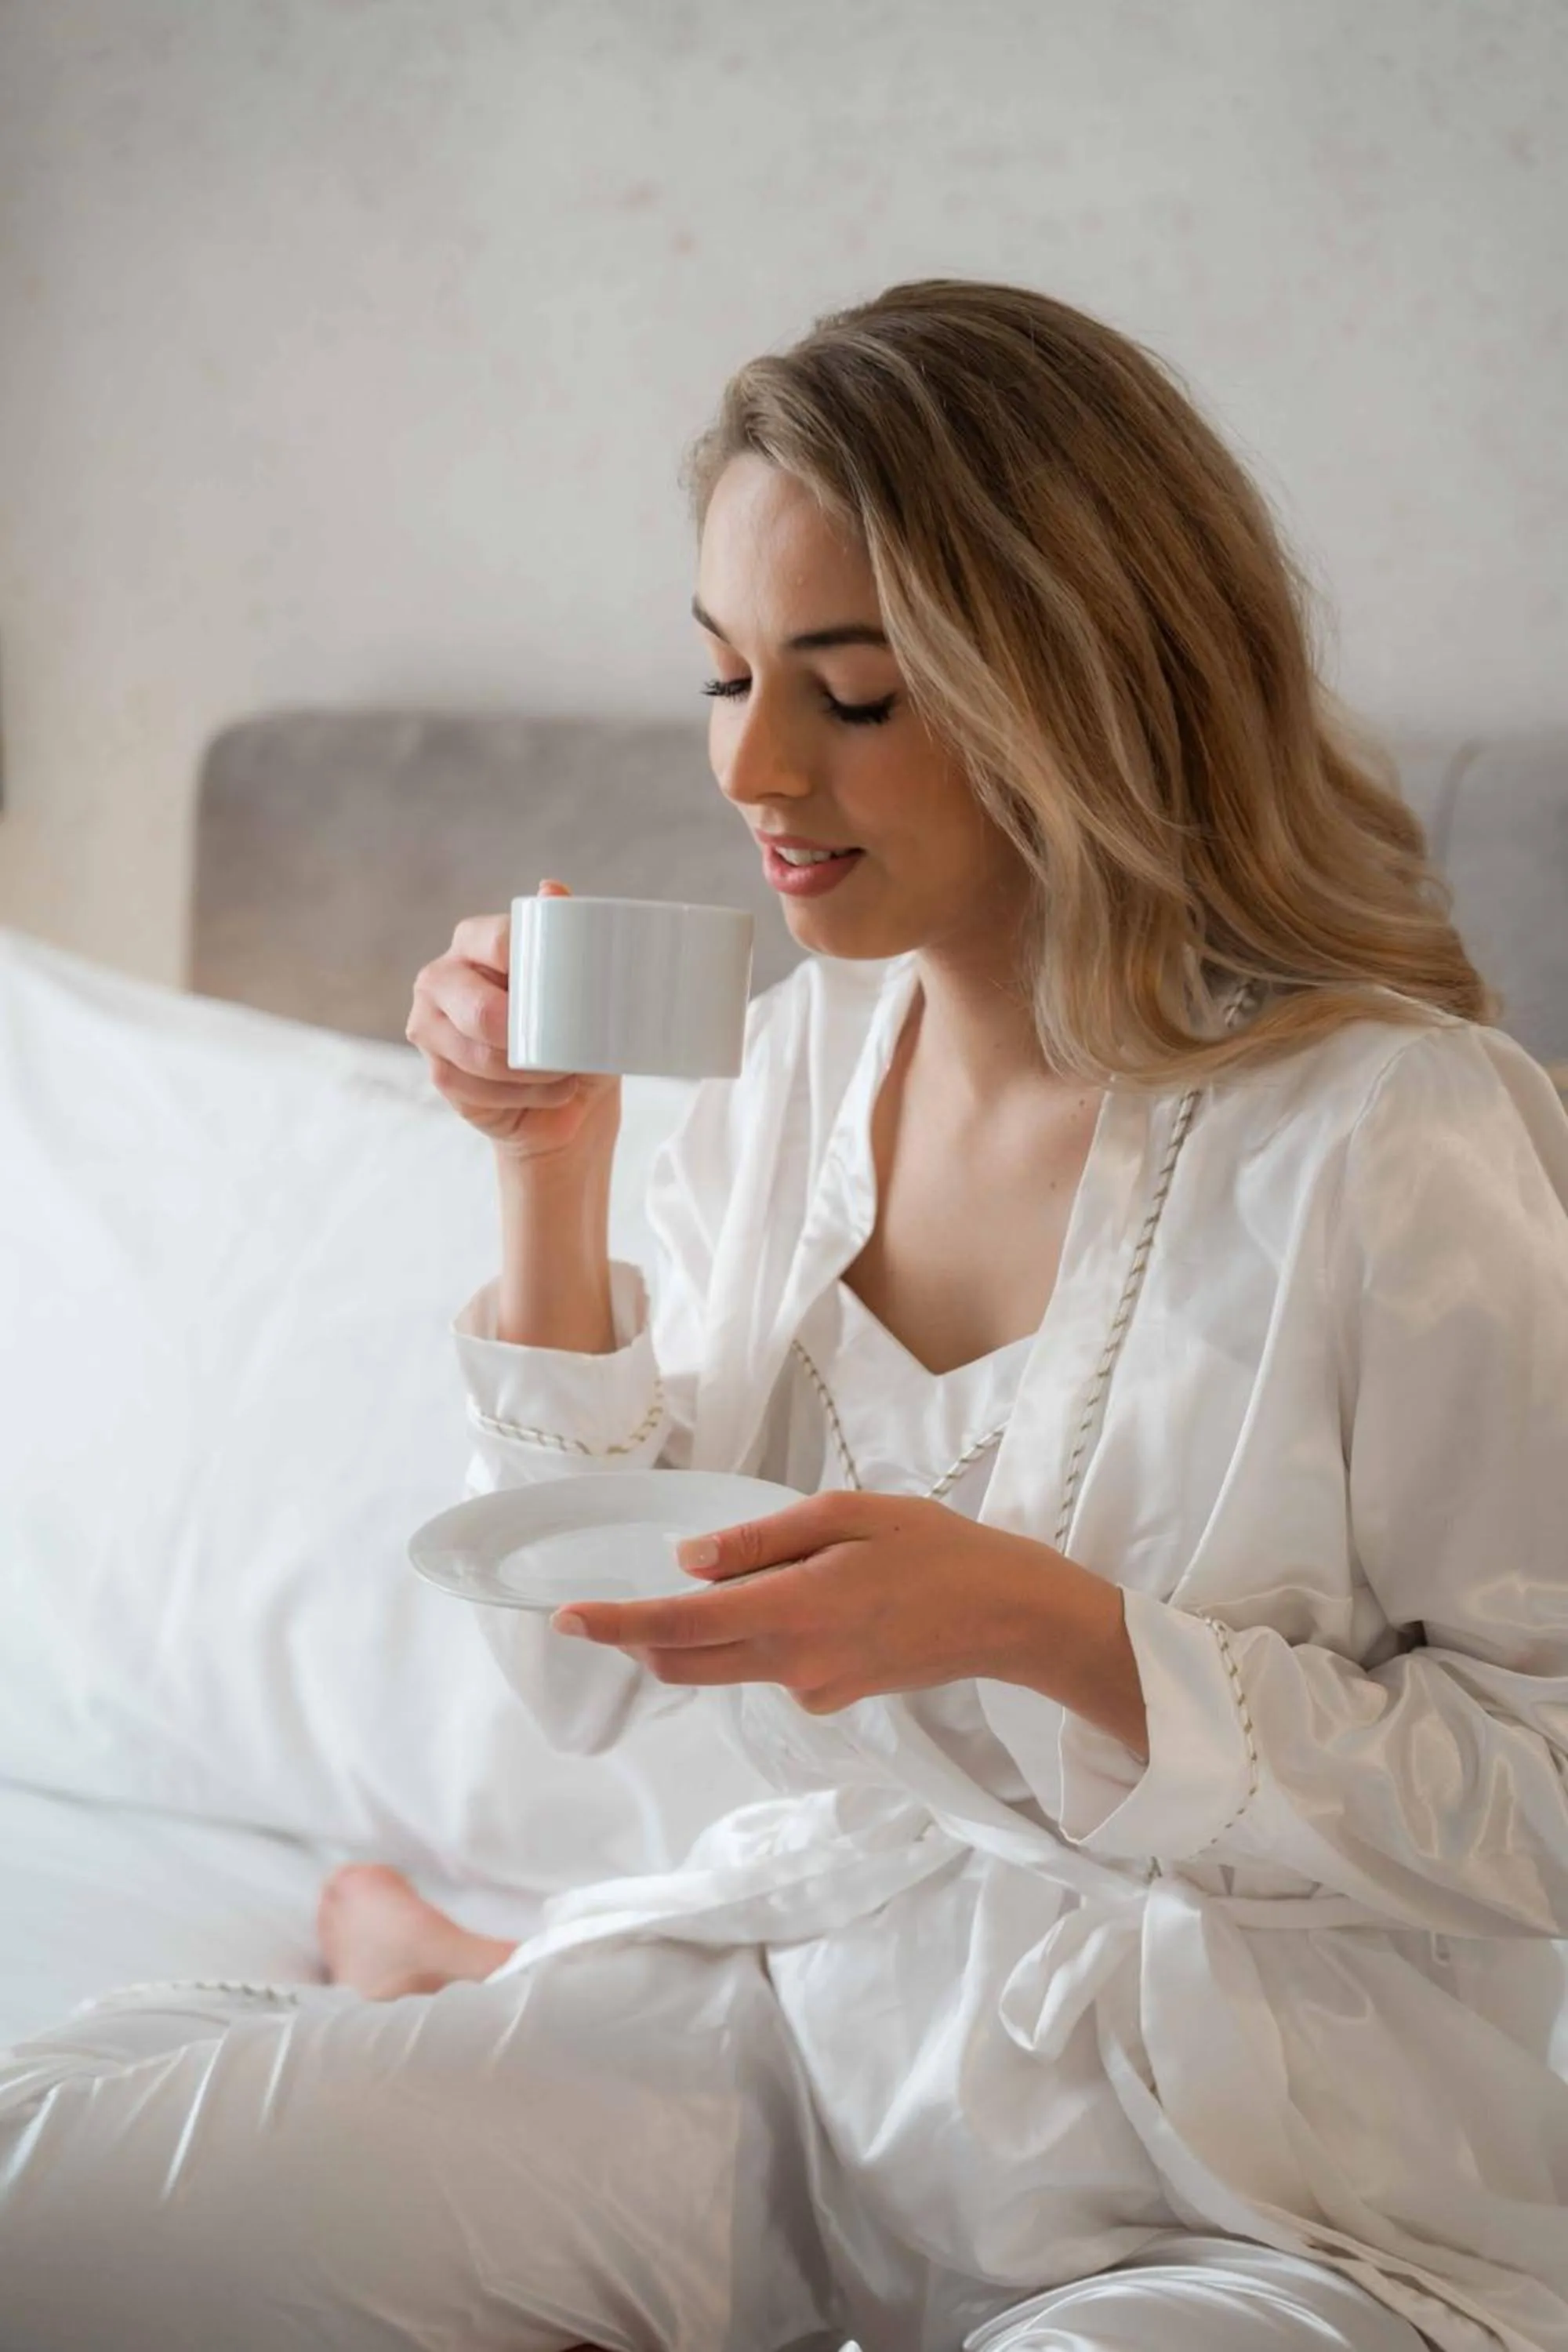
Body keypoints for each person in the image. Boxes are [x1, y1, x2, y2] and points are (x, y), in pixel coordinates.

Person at [2, 279, 1566, 2352]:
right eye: (726, 673)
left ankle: (455, 1975)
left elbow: (1538, 1796)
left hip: (1253, 2183)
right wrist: (546, 1170)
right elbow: (571, 1687)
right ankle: (467, 1979)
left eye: (854, 692)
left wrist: (1045, 1628)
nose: (753, 763)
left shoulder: (1391, 1137)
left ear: (1084, 685)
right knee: (58, 2217)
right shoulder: (789, 1078)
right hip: (808, 2046)